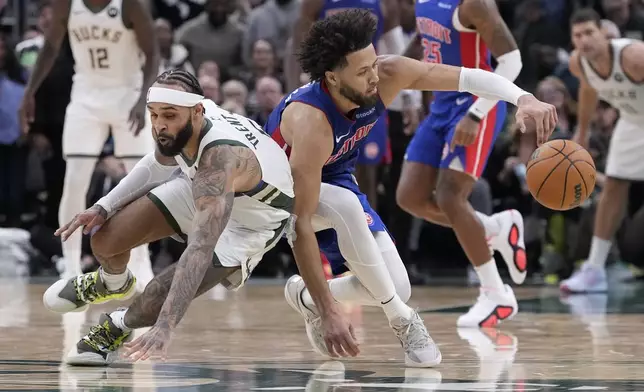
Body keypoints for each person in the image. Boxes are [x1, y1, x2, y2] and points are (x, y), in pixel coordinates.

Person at [265, 9, 556, 367]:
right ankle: (402, 320)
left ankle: (304, 296)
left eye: (372, 64)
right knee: (346, 206)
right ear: (332, 77)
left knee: (397, 286)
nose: (374, 76)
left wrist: (522, 98)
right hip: (278, 194)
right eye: (362, 72)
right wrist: (330, 314)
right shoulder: (312, 122)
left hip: (334, 175)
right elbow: (300, 226)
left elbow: (468, 78)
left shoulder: (385, 73)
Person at [43, 70, 295, 365]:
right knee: (104, 236)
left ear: (197, 112)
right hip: (204, 189)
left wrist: (164, 326)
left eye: (169, 116)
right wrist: (102, 206)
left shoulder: (219, 157)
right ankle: (112, 282)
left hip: (252, 221)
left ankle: (117, 324)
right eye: (154, 115)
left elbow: (199, 249)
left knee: (157, 297)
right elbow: (155, 164)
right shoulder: (192, 117)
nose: (160, 125)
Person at [395, 0, 526, 328]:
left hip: (476, 104)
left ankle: (496, 294)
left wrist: (476, 114)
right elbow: (420, 44)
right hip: (441, 104)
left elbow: (512, 62)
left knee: (450, 196)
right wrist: (407, 96)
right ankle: (496, 228)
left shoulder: (474, 4)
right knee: (409, 196)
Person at [18, 0, 160, 286]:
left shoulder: (130, 5)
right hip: (86, 96)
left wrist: (144, 96)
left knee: (140, 179)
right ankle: (70, 266)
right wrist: (30, 92)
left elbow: (152, 53)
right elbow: (49, 48)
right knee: (75, 180)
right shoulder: (66, 5)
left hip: (128, 94)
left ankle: (141, 261)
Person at [286, 0, 406, 207]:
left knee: (367, 173)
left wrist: (409, 101)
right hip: (329, 90)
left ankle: (368, 230)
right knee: (321, 165)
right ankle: (321, 230)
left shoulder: (387, 3)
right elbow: (298, 43)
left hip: (369, 90)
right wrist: (292, 87)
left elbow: (397, 53)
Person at [560, 9, 644, 293]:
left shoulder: (633, 57)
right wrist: (582, 132)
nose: (584, 40)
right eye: (577, 35)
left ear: (603, 33)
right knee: (614, 187)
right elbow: (588, 90)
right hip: (633, 120)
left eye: (589, 33)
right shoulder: (578, 64)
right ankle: (595, 269)